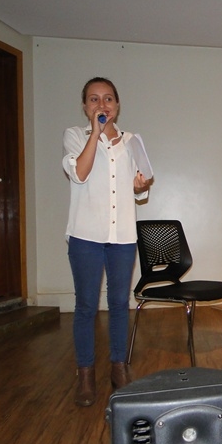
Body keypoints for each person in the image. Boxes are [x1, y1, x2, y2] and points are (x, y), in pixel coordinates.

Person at [62, 77, 150, 407]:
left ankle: (118, 368)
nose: (102, 104)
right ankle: (85, 374)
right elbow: (79, 173)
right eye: (94, 99)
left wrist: (140, 187)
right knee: (86, 306)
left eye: (108, 98)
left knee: (118, 304)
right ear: (85, 106)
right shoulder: (75, 135)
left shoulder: (131, 141)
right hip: (85, 235)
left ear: (117, 105)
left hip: (123, 236)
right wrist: (96, 134)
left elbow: (139, 187)